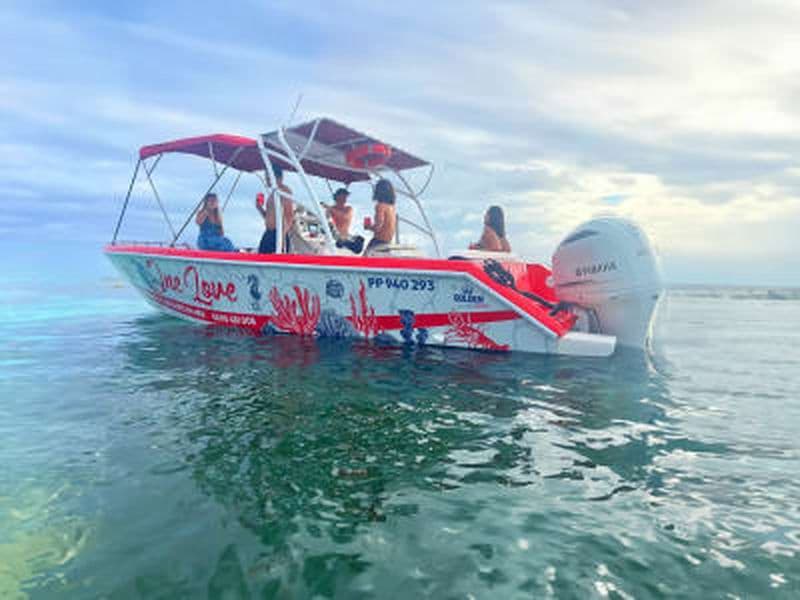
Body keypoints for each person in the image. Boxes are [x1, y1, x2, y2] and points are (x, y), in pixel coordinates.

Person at [256, 162, 294, 254]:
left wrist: (281, 239)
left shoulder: (284, 191)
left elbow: (289, 216)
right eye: (266, 177)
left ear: (277, 177)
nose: (267, 180)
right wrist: (260, 208)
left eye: (268, 177)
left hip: (278, 234)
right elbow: (269, 217)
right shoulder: (273, 194)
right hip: (269, 233)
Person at [323, 187, 364, 254]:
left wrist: (329, 208)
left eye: (346, 197)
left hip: (345, 236)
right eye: (343, 196)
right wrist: (328, 211)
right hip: (334, 236)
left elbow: (344, 216)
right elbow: (326, 221)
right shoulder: (331, 209)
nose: (345, 199)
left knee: (360, 241)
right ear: (337, 197)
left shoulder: (349, 209)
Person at [364, 179, 397, 255]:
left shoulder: (380, 206)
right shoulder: (392, 207)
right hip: (388, 243)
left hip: (378, 242)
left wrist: (368, 226)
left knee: (363, 262)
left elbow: (378, 227)